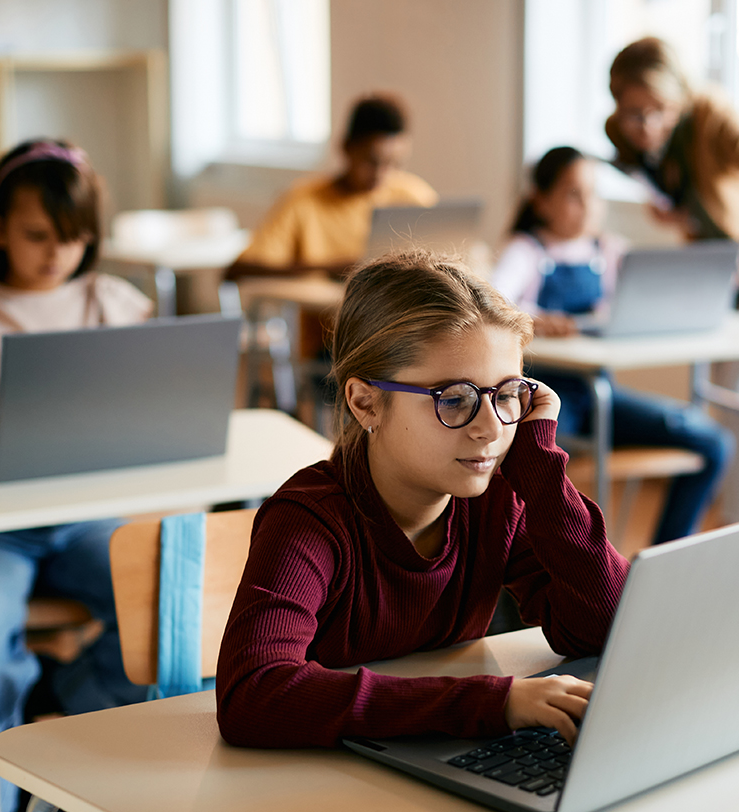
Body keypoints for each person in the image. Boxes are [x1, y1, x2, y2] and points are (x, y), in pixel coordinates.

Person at [216, 250, 630, 750]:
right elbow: (253, 695)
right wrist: (491, 703)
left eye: (506, 395)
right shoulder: (310, 520)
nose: (490, 428)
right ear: (365, 401)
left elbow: (605, 628)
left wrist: (540, 467)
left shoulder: (498, 502)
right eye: (454, 398)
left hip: (431, 753)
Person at [0, 139, 152, 811]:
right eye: (38, 236)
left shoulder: (111, 300)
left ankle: (74, 706)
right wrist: (17, 418)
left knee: (165, 603)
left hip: (85, 515)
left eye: (73, 239)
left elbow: (149, 390)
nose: (57, 254)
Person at [605, 37, 739, 524]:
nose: (646, 126)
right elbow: (664, 179)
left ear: (679, 97)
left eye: (658, 110)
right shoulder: (620, 136)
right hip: (719, 272)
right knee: (721, 401)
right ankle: (722, 529)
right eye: (633, 113)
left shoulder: (712, 115)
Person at [492, 146, 733, 545]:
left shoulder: (610, 251)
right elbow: (494, 305)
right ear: (540, 199)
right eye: (573, 194)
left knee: (713, 442)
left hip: (599, 399)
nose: (587, 206)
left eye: (594, 194)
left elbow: (647, 301)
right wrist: (532, 318)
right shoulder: (526, 250)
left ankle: (663, 558)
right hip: (542, 401)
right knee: (530, 461)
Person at [227, 92, 438, 280]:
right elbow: (239, 269)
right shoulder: (303, 200)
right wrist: (331, 269)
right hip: (320, 320)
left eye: (394, 163)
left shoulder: (413, 196)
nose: (381, 174)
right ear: (346, 148)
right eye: (371, 161)